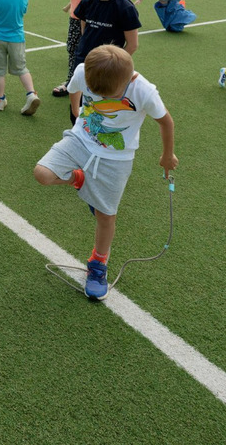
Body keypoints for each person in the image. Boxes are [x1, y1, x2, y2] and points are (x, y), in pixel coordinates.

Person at [34, 45, 177, 300]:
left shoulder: (143, 89)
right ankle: (78, 179)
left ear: (128, 81)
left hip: (116, 159)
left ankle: (98, 265)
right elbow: (74, 87)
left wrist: (167, 155)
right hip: (79, 140)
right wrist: (76, 110)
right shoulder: (83, 70)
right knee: (42, 173)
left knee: (105, 215)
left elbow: (166, 121)